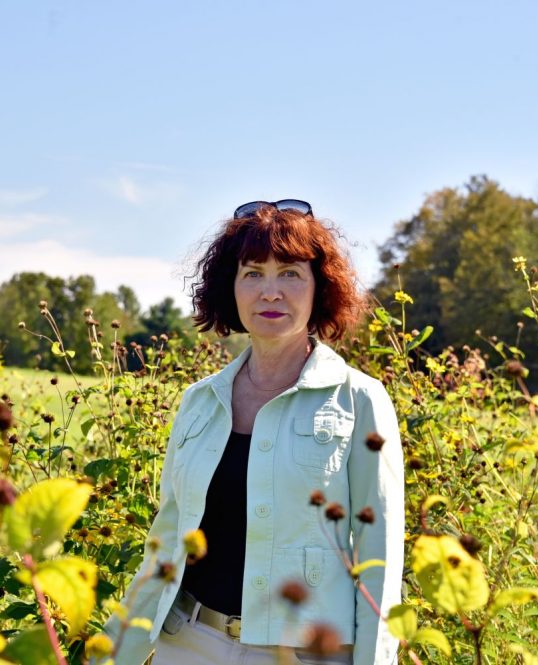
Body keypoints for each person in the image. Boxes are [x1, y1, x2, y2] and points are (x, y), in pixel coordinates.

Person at [101, 200, 404, 665]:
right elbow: (166, 541)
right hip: (189, 643)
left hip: (304, 653)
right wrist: (112, 654)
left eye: (289, 273)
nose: (270, 292)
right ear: (232, 288)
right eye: (252, 273)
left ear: (319, 288)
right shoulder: (199, 401)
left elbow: (379, 560)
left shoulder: (359, 401)